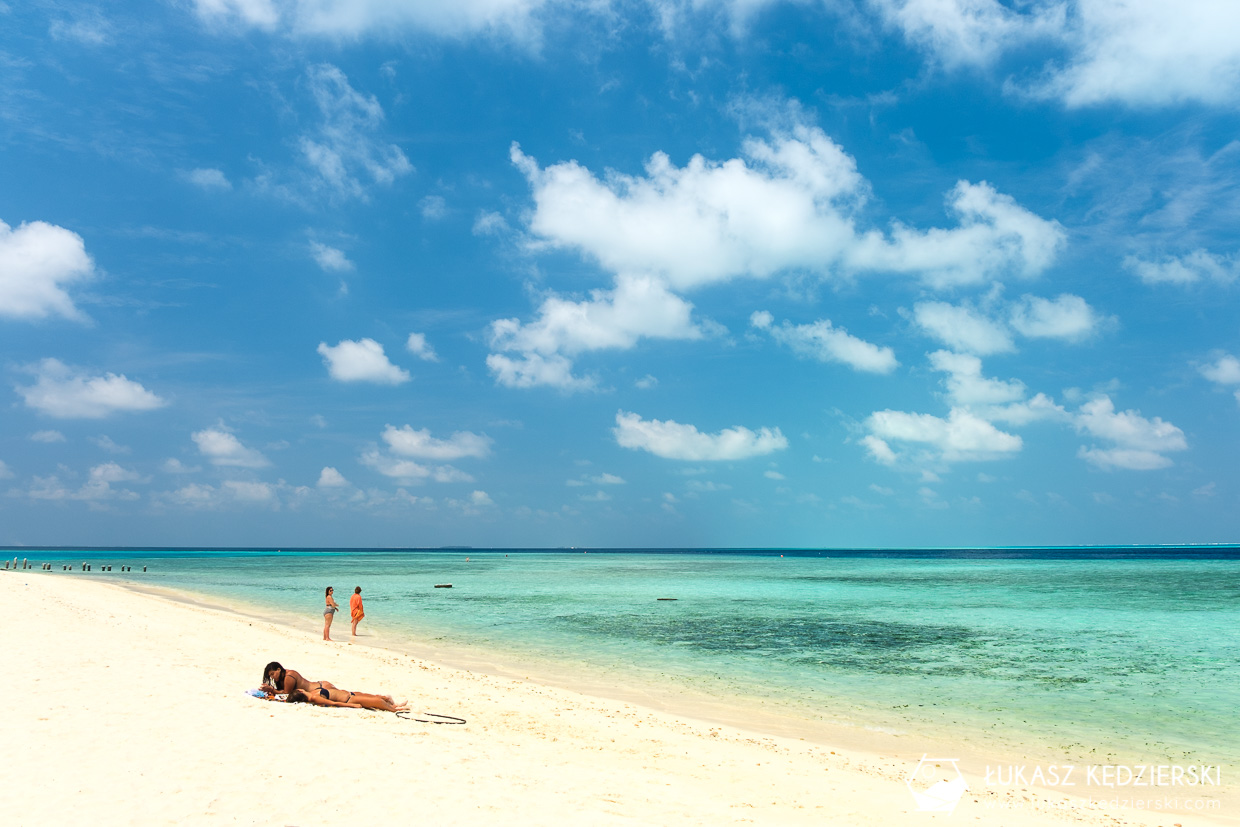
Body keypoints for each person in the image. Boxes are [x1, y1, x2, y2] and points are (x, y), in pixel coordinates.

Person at [280, 686, 409, 712]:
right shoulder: (315, 698)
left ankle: (395, 703)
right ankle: (395, 709)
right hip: (349, 700)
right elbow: (334, 703)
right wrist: (354, 706)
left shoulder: (312, 692)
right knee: (377, 702)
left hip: (349, 693)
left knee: (376, 697)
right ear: (300, 692)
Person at [261, 662, 337, 696]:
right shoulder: (280, 677)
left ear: (278, 669)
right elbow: (281, 691)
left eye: (272, 674)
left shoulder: (289, 676)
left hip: (321, 687)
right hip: (317, 689)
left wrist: (272, 690)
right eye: (270, 676)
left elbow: (286, 693)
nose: (272, 677)